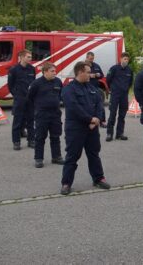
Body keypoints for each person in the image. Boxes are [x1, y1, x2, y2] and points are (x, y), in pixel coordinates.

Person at [60, 61, 109, 195]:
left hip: (92, 129)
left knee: (94, 154)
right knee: (72, 156)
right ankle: (66, 183)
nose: (90, 74)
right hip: (76, 129)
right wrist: (90, 119)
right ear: (80, 72)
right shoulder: (68, 89)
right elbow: (74, 107)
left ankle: (98, 178)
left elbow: (99, 103)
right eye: (88, 72)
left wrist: (97, 119)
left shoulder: (92, 88)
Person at [27, 61, 64, 168]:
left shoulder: (58, 82)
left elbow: (61, 95)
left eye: (55, 71)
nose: (55, 73)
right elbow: (30, 97)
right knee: (40, 137)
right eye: (52, 71)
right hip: (42, 114)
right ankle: (39, 159)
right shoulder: (36, 83)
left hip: (55, 114)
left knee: (55, 136)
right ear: (45, 72)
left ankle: (56, 157)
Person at [8, 49, 36, 150]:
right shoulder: (14, 69)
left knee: (30, 121)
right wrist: (16, 95)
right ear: (22, 57)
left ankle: (31, 140)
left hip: (30, 99)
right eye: (28, 57)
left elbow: (33, 83)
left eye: (30, 57)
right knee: (17, 121)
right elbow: (10, 85)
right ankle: (16, 142)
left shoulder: (32, 69)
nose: (30, 59)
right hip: (19, 99)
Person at [105, 52, 133, 142]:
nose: (126, 61)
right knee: (112, 114)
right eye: (124, 59)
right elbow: (108, 80)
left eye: (127, 59)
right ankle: (109, 133)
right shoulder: (114, 68)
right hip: (115, 95)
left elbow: (130, 82)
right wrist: (113, 89)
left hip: (124, 96)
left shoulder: (129, 70)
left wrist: (126, 90)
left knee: (122, 115)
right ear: (120, 59)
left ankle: (119, 134)